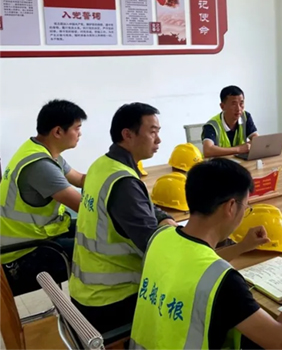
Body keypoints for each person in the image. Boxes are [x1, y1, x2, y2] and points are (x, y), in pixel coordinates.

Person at [130, 158, 282, 349]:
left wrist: (242, 246)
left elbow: (192, 265)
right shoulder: (225, 281)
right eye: (245, 207)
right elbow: (281, 341)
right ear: (231, 207)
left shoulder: (160, 237)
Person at [70, 103, 177, 333]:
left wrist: (163, 217)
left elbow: (143, 203)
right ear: (128, 135)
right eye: (152, 132)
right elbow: (157, 248)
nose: (158, 140)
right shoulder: (123, 182)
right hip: (112, 299)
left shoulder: (103, 165)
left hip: (86, 291)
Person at [1, 100, 87, 295]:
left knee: (96, 232)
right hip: (21, 255)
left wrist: (110, 176)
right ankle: (89, 309)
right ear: (58, 131)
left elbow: (81, 180)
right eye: (77, 128)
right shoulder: (40, 166)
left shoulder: (40, 150)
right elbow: (84, 208)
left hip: (40, 235)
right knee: (103, 249)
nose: (80, 133)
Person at [202, 86, 259, 158]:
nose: (238, 109)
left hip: (240, 162)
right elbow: (207, 150)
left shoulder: (245, 117)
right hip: (220, 163)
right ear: (222, 106)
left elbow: (257, 140)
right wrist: (239, 149)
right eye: (234, 104)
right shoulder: (212, 125)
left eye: (241, 103)